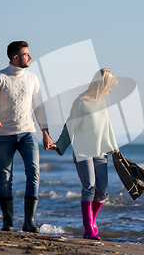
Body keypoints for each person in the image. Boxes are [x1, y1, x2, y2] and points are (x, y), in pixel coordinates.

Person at [0, 41, 54, 233]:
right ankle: (8, 222)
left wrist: (45, 133)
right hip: (4, 135)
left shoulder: (32, 78)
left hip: (28, 133)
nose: (30, 57)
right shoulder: (0, 77)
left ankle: (29, 222)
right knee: (5, 177)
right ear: (15, 57)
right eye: (26, 54)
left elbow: (39, 107)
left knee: (34, 175)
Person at [49, 68, 119, 240]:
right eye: (109, 86)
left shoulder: (102, 103)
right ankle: (88, 230)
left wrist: (115, 149)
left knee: (102, 192)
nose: (110, 90)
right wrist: (59, 145)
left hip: (100, 152)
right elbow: (69, 125)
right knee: (89, 187)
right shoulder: (80, 102)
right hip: (83, 151)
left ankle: (92, 221)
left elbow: (107, 128)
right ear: (102, 84)